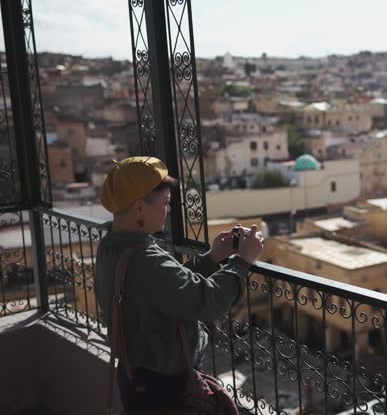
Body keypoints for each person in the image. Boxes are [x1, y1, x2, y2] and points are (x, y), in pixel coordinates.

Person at [95, 156, 264, 412]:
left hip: (137, 380)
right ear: (139, 208)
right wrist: (242, 261)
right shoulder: (144, 259)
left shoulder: (113, 248)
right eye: (165, 203)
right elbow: (205, 301)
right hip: (164, 389)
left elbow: (165, 289)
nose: (169, 209)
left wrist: (211, 258)